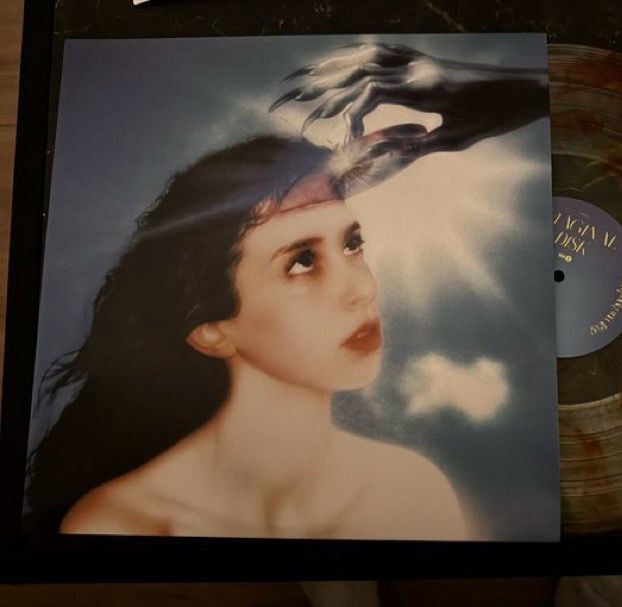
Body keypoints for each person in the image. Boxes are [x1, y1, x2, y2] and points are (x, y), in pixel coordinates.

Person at [27, 134, 467, 541]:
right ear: (211, 332)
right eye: (303, 262)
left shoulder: (411, 491)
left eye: (352, 245)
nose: (363, 288)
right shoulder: (122, 524)